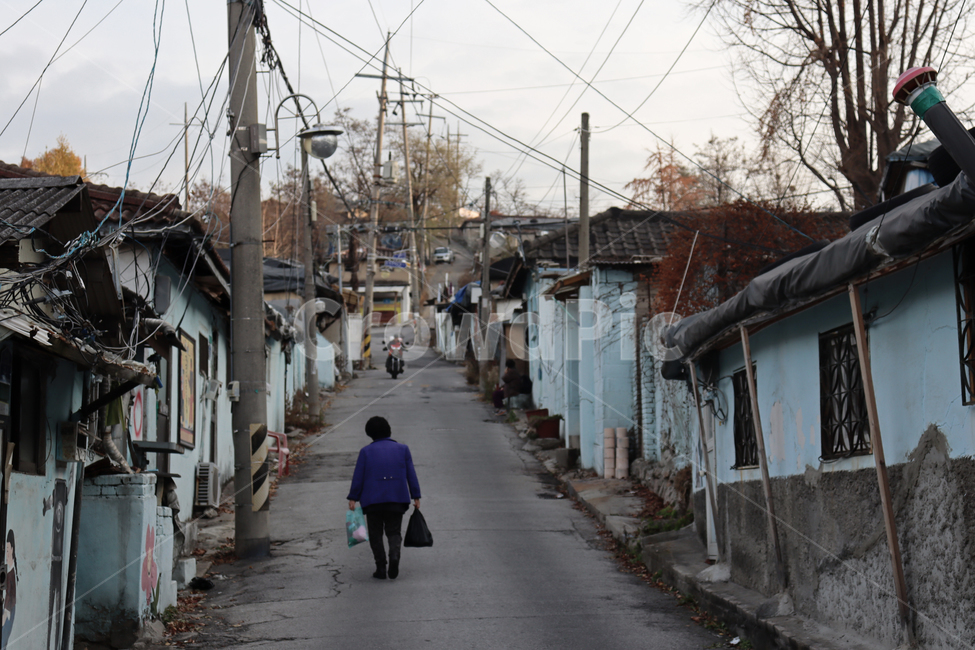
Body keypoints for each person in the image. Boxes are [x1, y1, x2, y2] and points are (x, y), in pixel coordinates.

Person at [347, 416, 421, 580]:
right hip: (397, 498)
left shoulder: (365, 452)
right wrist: (415, 495)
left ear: (369, 434)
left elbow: (358, 477)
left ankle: (381, 567)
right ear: (389, 430)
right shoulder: (403, 449)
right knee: (394, 531)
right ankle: (394, 555)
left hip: (373, 501)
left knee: (375, 533)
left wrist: (353, 497)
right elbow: (411, 474)